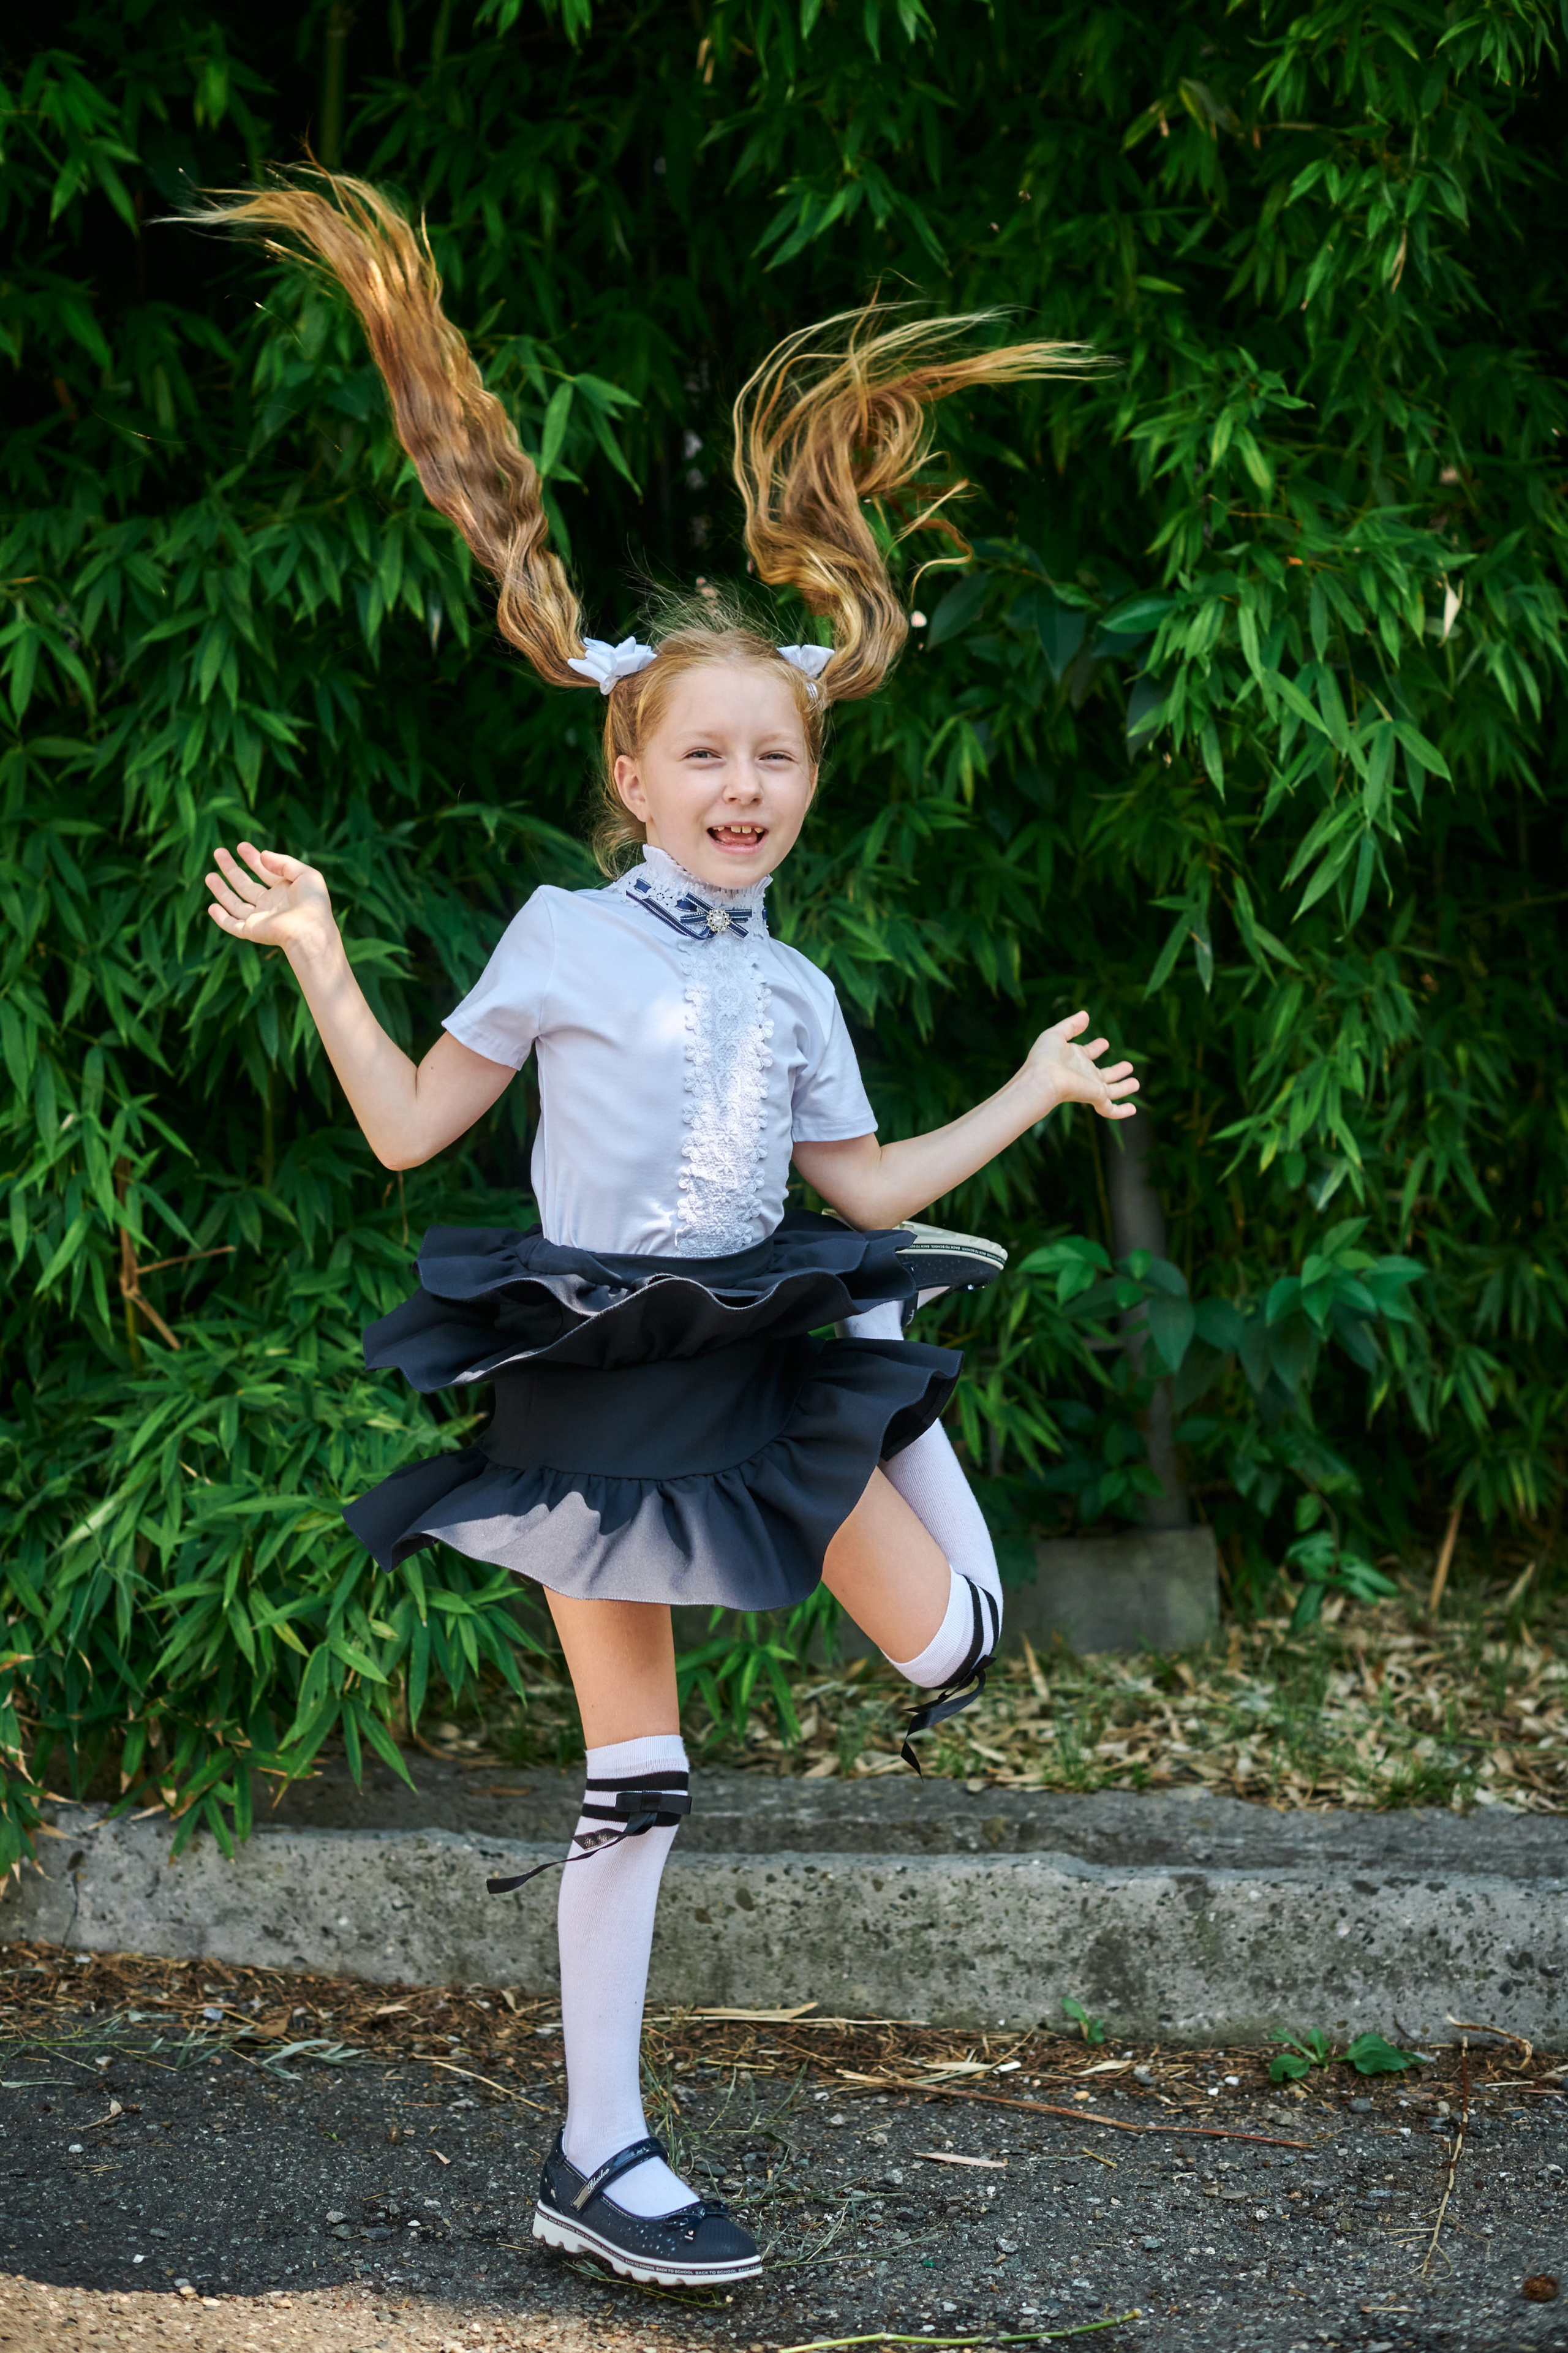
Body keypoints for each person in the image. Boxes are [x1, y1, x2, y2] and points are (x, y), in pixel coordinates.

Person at [198, 174, 1137, 2292]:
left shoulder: (798, 991)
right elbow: (406, 1127)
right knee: (638, 1778)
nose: (745, 779)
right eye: (705, 748)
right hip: (599, 1367)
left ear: (811, 777)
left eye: (777, 753)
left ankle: (886, 1400)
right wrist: (325, 949)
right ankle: (598, 2155)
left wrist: (1032, 1094)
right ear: (631, 764)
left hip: (777, 1333)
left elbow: (862, 1190)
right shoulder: (551, 936)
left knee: (960, 1641)